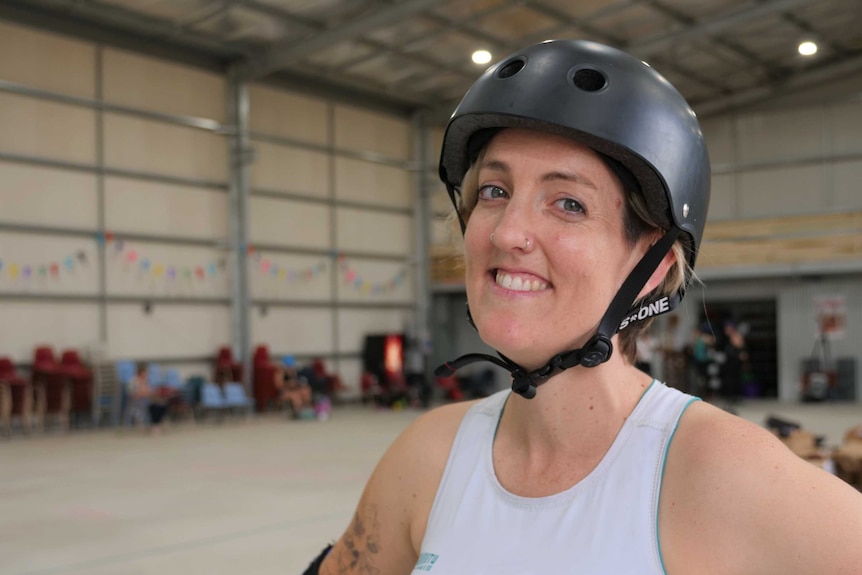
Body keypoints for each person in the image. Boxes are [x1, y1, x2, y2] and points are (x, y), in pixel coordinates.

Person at [303, 40, 862, 574]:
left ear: (656, 268)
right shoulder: (428, 457)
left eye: (568, 202)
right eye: (494, 191)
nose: (508, 233)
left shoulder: (721, 472)